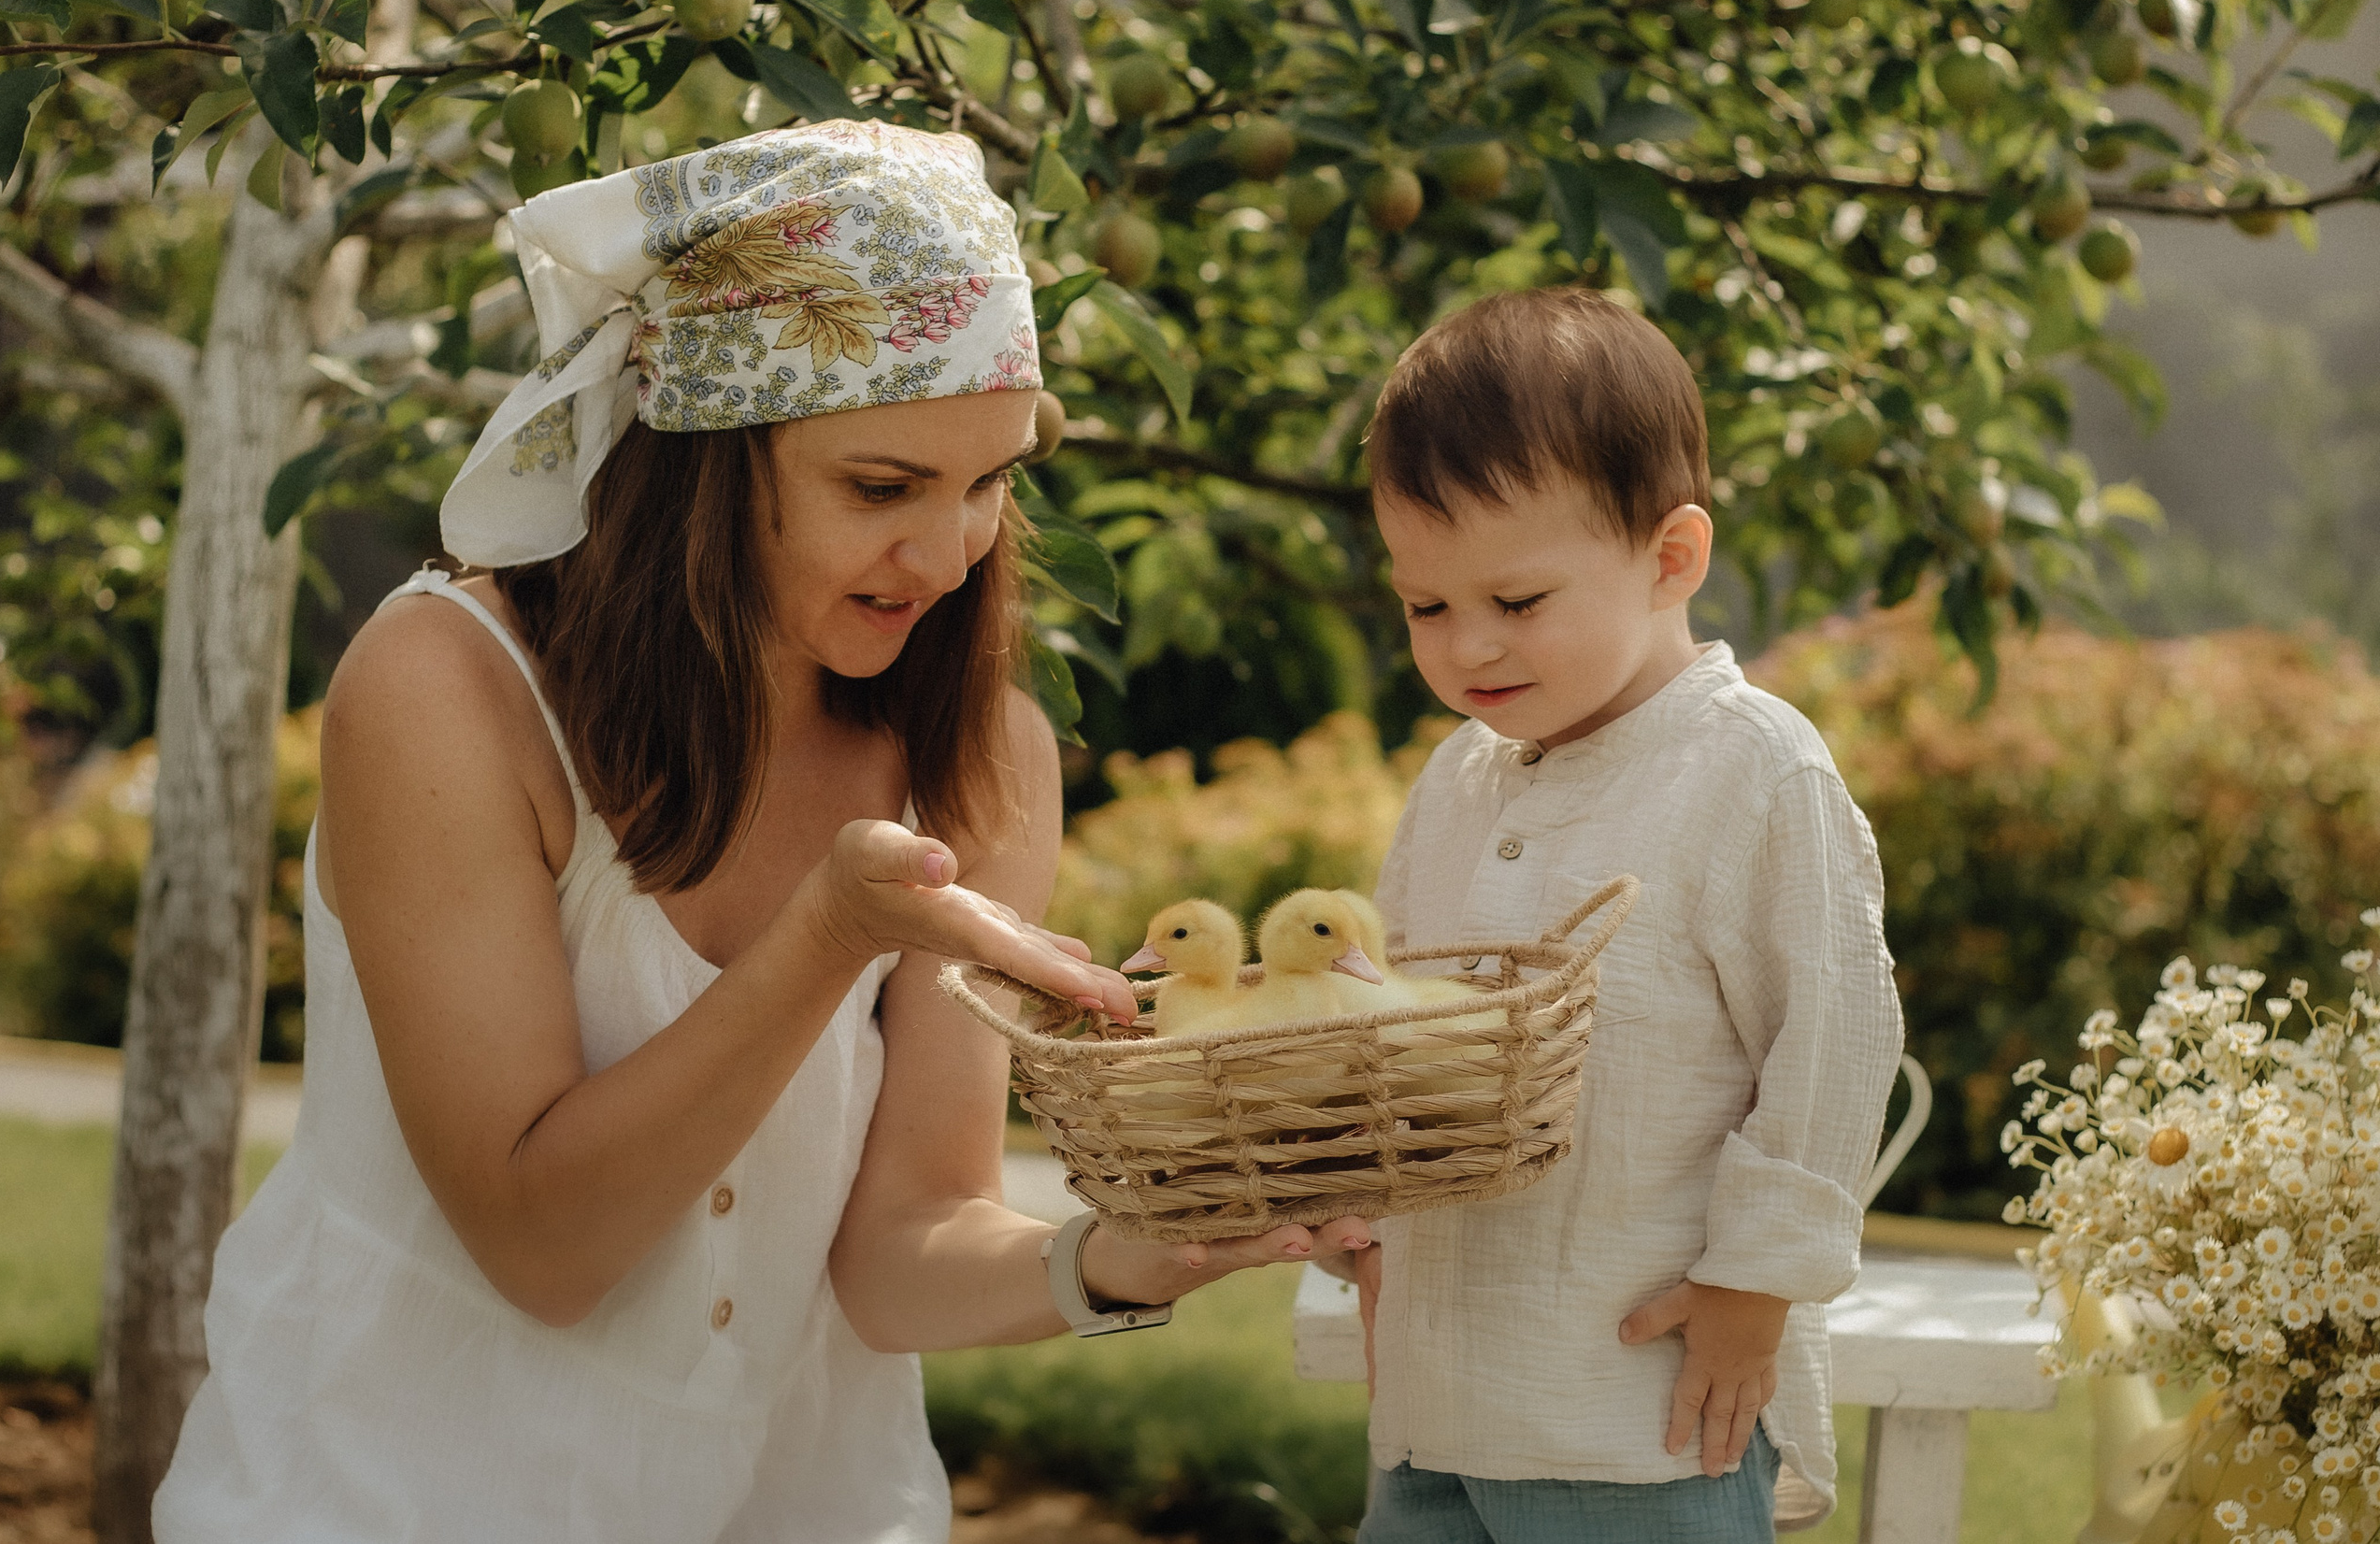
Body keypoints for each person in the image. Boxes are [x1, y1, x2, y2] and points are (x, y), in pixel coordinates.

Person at [151, 121, 1369, 1544]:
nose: (948, 555)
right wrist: (832, 934)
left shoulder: (981, 754)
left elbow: (901, 1250)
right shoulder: (447, 694)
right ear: (706, 456)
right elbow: (542, 1246)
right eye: (881, 486)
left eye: (988, 483)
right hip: (379, 1502)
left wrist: (1125, 1261)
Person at [1349, 287, 1904, 1540]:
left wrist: (1755, 1282)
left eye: (1517, 602)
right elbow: (1394, 1025)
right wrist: (1359, 1194)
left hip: (1641, 1417)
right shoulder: (1457, 779)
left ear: (1671, 558)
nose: (1467, 649)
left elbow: (1835, 1039)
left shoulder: (1750, 770)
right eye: (1426, 606)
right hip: (1439, 1402)